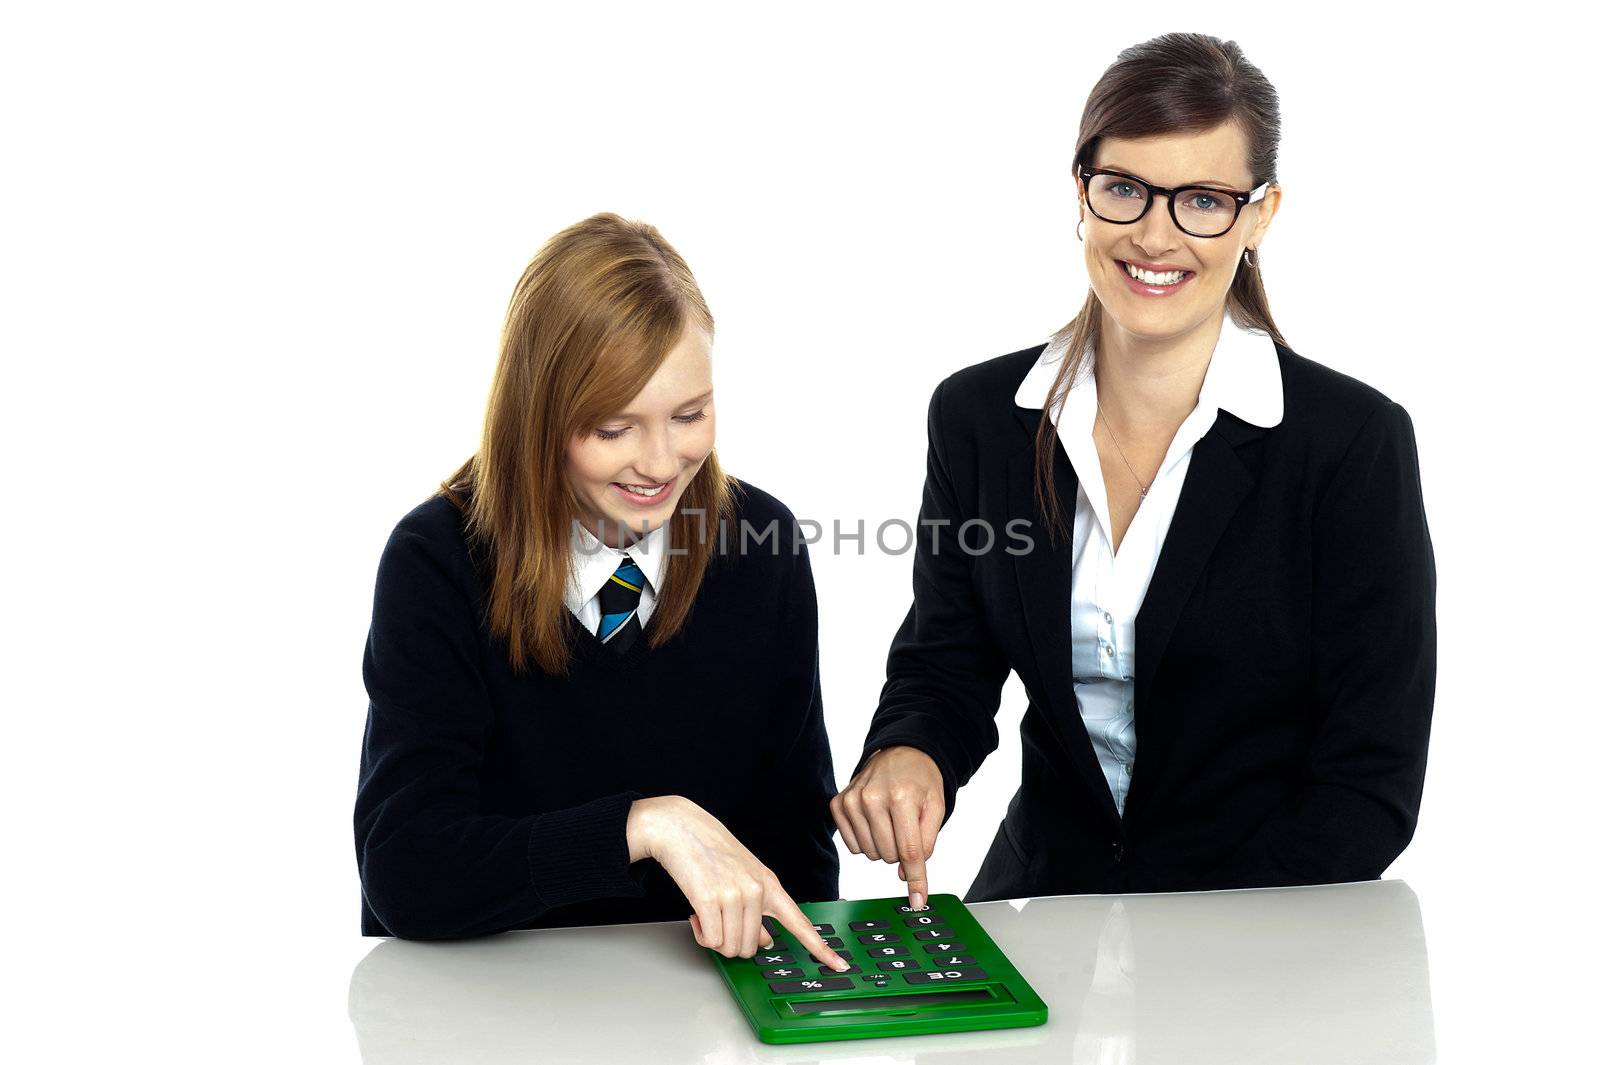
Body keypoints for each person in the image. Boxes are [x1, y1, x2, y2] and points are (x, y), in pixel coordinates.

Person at [831, 32, 1437, 906]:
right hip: (1045, 900)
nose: (1155, 235)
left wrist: (1195, 953)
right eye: (1124, 189)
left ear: (1260, 215)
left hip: (1261, 924)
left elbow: (1368, 782)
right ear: (1081, 193)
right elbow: (947, 660)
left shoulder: (1350, 445)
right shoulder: (979, 420)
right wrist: (908, 752)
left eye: (1202, 200)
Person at [355, 213, 850, 970]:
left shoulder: (763, 546)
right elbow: (407, 867)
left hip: (692, 1006)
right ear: (539, 417)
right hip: (487, 1003)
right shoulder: (437, 559)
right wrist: (642, 825)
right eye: (614, 428)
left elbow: (795, 850)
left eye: (689, 415)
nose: (661, 462)